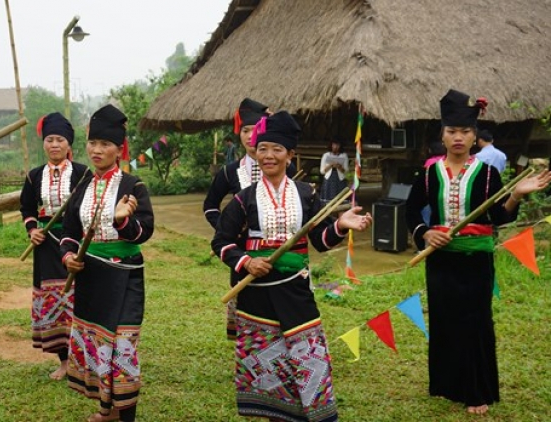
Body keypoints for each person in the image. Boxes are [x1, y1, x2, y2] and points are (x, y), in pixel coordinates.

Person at [212, 111, 372, 422]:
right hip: (256, 295)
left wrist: (340, 224)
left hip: (297, 292)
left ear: (290, 155)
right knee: (268, 367)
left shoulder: (306, 193)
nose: (268, 156)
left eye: (277, 149)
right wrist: (247, 261)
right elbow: (222, 242)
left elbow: (321, 241)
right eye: (262, 148)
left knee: (309, 358)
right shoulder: (244, 200)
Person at [405, 89, 551, 416]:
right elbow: (412, 211)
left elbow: (499, 217)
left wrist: (514, 195)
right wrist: (426, 233)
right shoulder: (429, 173)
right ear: (442, 134)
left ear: (475, 136)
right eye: (452, 131)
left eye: (466, 132)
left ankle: (475, 390)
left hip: (476, 261)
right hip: (441, 260)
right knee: (444, 320)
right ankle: (445, 383)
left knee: (475, 322)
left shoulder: (487, 174)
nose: (459, 137)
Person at [61, 104, 154, 422]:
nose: (97, 150)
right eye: (93, 143)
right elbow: (70, 231)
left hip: (124, 278)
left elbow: (144, 231)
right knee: (100, 345)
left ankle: (126, 416)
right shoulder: (83, 184)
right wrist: (69, 256)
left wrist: (123, 221)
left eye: (106, 145)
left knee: (123, 347)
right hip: (90, 278)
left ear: (119, 149)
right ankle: (106, 411)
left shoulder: (133, 186)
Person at [203, 98, 296, 340]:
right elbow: (210, 206)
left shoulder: (286, 167)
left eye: (255, 130)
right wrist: (226, 228)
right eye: (245, 130)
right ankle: (252, 346)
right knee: (247, 299)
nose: (249, 136)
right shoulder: (230, 171)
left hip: (279, 248)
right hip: (242, 250)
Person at [20, 112, 90, 381]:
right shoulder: (33, 176)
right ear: (44, 143)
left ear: (69, 144)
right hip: (47, 247)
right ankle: (64, 362)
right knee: (55, 302)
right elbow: (26, 208)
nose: (55, 144)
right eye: (50, 139)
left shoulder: (83, 174)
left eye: (60, 139)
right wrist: (32, 230)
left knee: (79, 299)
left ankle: (84, 360)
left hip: (77, 244)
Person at [319, 139, 349, 204]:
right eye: (334, 145)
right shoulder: (326, 155)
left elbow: (346, 171)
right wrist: (330, 165)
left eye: (337, 145)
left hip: (340, 180)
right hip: (329, 179)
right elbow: (322, 171)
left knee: (340, 200)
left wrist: (339, 166)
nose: (335, 147)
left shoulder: (344, 155)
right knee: (327, 200)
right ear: (331, 145)